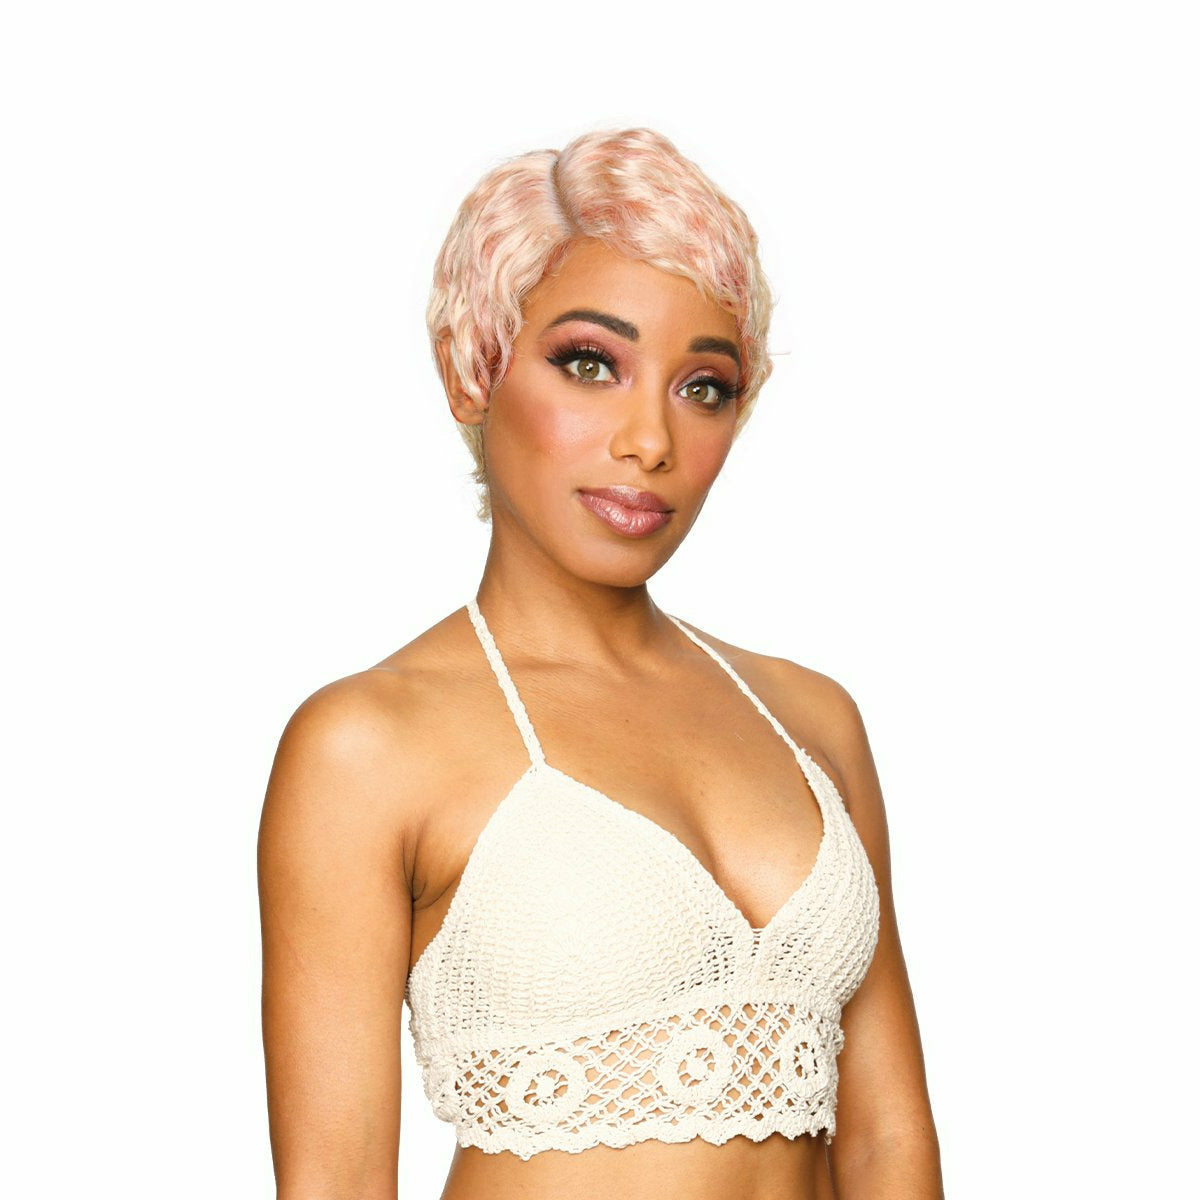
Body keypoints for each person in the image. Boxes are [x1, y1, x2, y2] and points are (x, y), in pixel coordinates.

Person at [258, 127, 943, 1200]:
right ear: (473, 368)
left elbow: (888, 1144)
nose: (650, 442)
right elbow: (336, 1181)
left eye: (703, 386)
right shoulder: (366, 747)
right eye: (590, 364)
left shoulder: (812, 720)